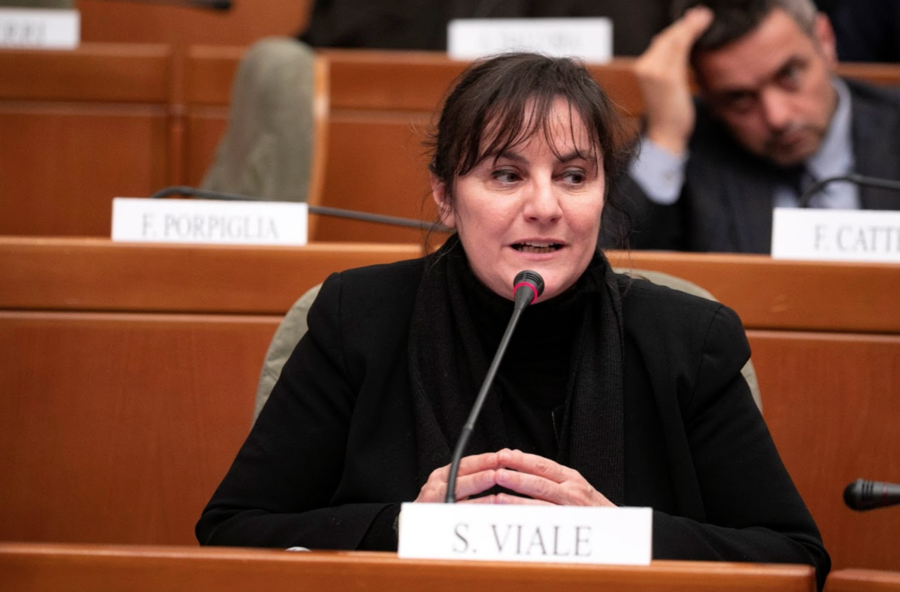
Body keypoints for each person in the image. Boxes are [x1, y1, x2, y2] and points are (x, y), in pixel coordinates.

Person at [196, 53, 830, 588]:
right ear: (444, 195)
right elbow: (233, 532)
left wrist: (615, 534)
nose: (545, 206)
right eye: (506, 175)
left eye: (574, 176)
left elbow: (795, 559)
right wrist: (403, 528)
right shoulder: (358, 318)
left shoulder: (687, 341)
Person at [620, 0, 900, 253]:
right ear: (707, 94)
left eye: (789, 75)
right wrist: (665, 136)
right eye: (739, 98)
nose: (777, 118)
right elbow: (616, 268)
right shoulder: (696, 147)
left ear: (825, 40)